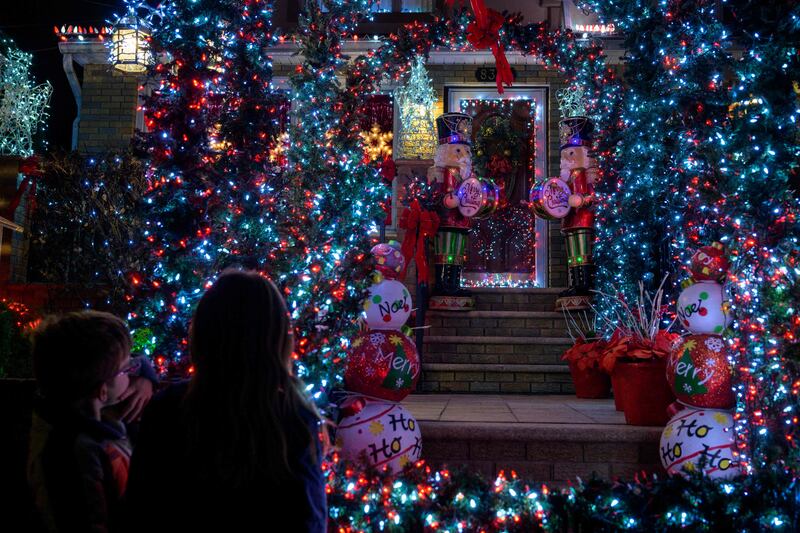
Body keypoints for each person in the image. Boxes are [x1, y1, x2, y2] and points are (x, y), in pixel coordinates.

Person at [125, 270, 328, 532]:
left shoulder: (167, 407)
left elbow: (140, 509)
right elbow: (309, 520)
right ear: (277, 338)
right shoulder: (292, 415)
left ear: (203, 331)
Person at [27, 310, 154, 533]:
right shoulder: (72, 455)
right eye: (127, 370)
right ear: (102, 391)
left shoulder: (87, 412)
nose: (134, 370)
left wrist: (147, 376)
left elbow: (139, 364)